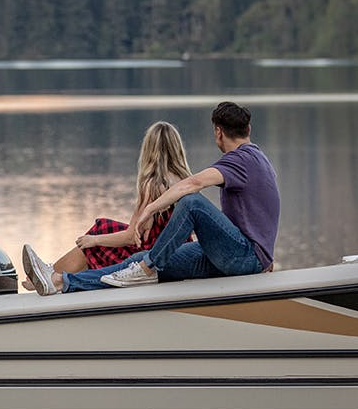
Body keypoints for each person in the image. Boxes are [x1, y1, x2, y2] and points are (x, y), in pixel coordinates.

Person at [23, 101, 280, 296]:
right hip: (234, 255)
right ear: (248, 129)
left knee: (192, 203)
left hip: (244, 257)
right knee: (137, 262)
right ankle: (60, 282)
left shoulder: (241, 160)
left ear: (218, 132)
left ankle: (147, 268)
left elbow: (194, 184)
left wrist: (151, 208)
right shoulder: (257, 158)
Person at [22, 121, 191, 290]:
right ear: (177, 149)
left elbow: (131, 236)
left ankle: (50, 276)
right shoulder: (186, 181)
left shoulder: (153, 184)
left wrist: (94, 240)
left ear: (148, 150)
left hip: (153, 254)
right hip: (178, 248)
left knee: (99, 232)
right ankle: (50, 274)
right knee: (105, 227)